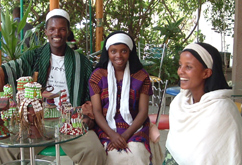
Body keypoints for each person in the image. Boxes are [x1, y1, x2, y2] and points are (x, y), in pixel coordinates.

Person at [0, 9, 106, 165]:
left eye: (62, 29)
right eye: (52, 29)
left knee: (94, 151)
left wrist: (87, 116)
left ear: (68, 32)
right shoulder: (33, 56)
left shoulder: (81, 63)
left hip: (70, 123)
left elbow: (92, 96)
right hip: (35, 124)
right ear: (46, 32)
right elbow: (6, 71)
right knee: (4, 149)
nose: (57, 33)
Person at [164, 42, 242, 165]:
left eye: (188, 67)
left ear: (206, 73)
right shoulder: (178, 103)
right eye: (180, 65)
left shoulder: (222, 110)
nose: (180, 72)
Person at [89, 31, 162, 165]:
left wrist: (125, 136)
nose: (118, 56)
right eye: (113, 51)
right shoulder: (97, 76)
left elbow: (143, 112)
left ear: (130, 52)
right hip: (106, 128)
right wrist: (112, 135)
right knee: (109, 156)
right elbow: (97, 112)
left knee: (136, 154)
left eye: (123, 51)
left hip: (134, 127)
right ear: (108, 53)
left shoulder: (141, 76)